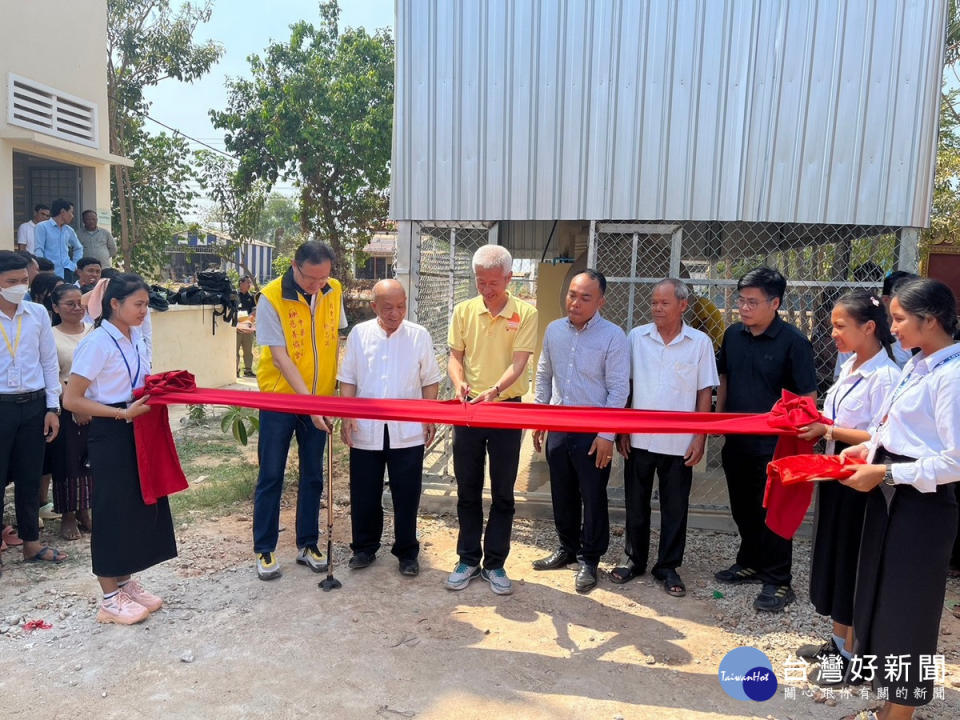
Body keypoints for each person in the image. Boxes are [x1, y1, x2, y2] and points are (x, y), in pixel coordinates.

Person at [839, 279, 960, 720]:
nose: (892, 329)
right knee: (881, 599)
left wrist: (886, 471)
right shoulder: (918, 364)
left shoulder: (953, 375)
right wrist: (869, 450)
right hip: (890, 497)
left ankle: (899, 713)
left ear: (930, 320)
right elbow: (897, 429)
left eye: (900, 319)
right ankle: (888, 700)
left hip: (921, 508)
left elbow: (955, 461)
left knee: (908, 608)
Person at [789, 290, 899, 683]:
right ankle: (836, 643)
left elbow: (879, 435)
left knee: (851, 563)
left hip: (860, 485)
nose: (832, 333)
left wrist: (829, 428)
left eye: (840, 327)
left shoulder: (886, 377)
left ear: (869, 328)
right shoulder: (850, 363)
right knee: (832, 558)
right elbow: (836, 415)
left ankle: (853, 659)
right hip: (836, 475)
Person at [63, 274, 174, 625]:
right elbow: (72, 399)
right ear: (115, 304)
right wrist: (122, 413)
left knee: (134, 505)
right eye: (138, 304)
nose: (144, 311)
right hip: (110, 429)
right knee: (111, 511)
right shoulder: (97, 343)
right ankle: (109, 597)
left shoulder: (135, 336)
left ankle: (125, 581)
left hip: (136, 425)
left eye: (145, 305)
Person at [714, 266, 817, 612]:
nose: (743, 308)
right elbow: (725, 380)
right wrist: (720, 421)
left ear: (775, 303)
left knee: (774, 514)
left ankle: (778, 581)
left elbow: (807, 399)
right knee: (743, 508)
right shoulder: (732, 336)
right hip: (738, 442)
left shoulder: (794, 343)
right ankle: (751, 562)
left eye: (752, 302)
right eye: (741, 300)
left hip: (775, 448)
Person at [611, 278, 718, 597]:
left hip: (679, 442)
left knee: (675, 506)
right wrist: (623, 426)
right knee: (635, 502)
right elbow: (625, 383)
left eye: (664, 303)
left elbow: (705, 390)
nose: (657, 308)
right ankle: (634, 559)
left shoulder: (699, 342)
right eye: (654, 302)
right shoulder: (637, 338)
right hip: (639, 438)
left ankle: (668, 566)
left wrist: (700, 436)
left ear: (683, 305)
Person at [252, 241, 347, 581]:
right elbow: (280, 357)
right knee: (272, 475)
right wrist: (307, 404)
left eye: (324, 278)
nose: (317, 285)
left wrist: (329, 397)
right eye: (311, 279)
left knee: (313, 476)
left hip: (319, 400)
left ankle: (308, 543)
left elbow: (333, 341)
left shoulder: (332, 290)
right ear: (295, 265)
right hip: (279, 400)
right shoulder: (271, 297)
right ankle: (264, 548)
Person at [446, 244, 538, 595]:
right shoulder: (463, 311)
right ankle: (468, 558)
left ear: (509, 278)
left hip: (506, 408)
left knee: (503, 491)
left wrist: (496, 390)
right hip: (468, 408)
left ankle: (495, 563)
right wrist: (459, 382)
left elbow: (519, 363)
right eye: (480, 282)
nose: (486, 289)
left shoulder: (525, 314)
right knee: (467, 487)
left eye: (493, 283)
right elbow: (455, 358)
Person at [338, 279, 443, 576]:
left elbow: (430, 380)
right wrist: (347, 417)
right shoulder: (359, 334)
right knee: (364, 492)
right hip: (366, 429)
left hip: (406, 431)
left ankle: (407, 552)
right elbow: (348, 379)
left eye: (400, 306)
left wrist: (428, 417)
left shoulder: (419, 335)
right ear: (374, 307)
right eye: (387, 308)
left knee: (407, 494)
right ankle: (364, 548)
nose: (395, 313)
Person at [532, 270, 628, 593]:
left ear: (600, 301)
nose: (575, 302)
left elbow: (618, 391)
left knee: (592, 495)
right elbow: (544, 373)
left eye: (586, 297)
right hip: (559, 425)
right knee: (562, 491)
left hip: (593, 434)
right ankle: (567, 549)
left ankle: (590, 559)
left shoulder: (614, 336)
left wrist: (606, 434)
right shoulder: (554, 330)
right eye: (572, 294)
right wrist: (540, 415)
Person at [0, 251, 65, 564]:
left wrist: (52, 407)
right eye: (11, 282)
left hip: (35, 404)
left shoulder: (37, 313)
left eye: (23, 281)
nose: (18, 287)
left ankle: (31, 543)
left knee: (29, 476)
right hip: (2, 406)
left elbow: (49, 362)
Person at [48, 285, 94, 541]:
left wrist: (87, 402)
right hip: (65, 405)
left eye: (80, 303)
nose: (77, 308)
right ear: (55, 308)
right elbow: (52, 373)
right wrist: (74, 404)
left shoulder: (93, 332)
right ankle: (67, 515)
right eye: (70, 304)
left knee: (90, 460)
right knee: (67, 462)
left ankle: (84, 511)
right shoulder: (51, 336)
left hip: (95, 402)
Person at [835, 271, 918, 377]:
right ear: (886, 300)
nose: (911, 306)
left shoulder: (918, 337)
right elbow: (840, 377)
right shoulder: (857, 330)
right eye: (906, 300)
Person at [34, 199, 82, 282]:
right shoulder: (42, 227)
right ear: (63, 212)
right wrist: (42, 268)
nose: (72, 216)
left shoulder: (69, 230)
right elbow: (39, 249)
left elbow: (79, 248)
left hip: (67, 270)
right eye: (71, 212)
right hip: (49, 271)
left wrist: (74, 265)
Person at [236, 275, 257, 378]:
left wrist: (249, 319)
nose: (249, 285)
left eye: (250, 283)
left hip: (248, 327)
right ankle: (235, 370)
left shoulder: (251, 297)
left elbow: (255, 310)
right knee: (234, 350)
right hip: (236, 327)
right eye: (247, 282)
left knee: (248, 351)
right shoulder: (234, 295)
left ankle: (248, 370)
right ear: (241, 283)